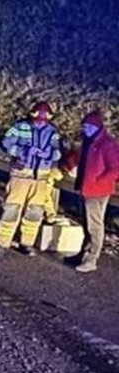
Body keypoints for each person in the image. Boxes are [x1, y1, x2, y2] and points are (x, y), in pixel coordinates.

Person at [0, 101, 62, 256]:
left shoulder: (52, 131)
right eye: (38, 121)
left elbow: (58, 152)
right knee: (11, 209)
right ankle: (2, 243)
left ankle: (27, 243)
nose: (40, 124)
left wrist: (49, 154)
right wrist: (23, 151)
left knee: (35, 212)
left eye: (43, 121)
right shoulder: (20, 126)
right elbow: (5, 144)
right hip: (20, 175)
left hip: (41, 178)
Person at [74, 110, 119, 272]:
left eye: (87, 127)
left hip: (97, 191)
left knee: (94, 225)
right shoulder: (89, 142)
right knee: (86, 223)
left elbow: (116, 168)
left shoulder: (107, 144)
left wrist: (98, 181)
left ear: (95, 127)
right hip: (86, 188)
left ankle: (92, 259)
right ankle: (83, 254)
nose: (84, 130)